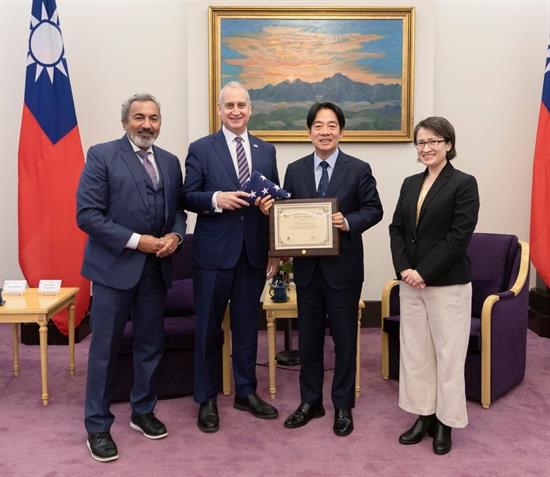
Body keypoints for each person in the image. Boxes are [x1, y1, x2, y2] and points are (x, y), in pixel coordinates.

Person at [77, 93, 186, 462]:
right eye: (139, 117)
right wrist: (138, 242)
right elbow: (87, 215)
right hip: (112, 272)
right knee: (104, 351)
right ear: (126, 122)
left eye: (153, 118)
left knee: (150, 345)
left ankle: (142, 410)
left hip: (156, 272)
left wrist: (175, 235)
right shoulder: (102, 155)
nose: (146, 124)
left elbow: (178, 212)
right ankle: (97, 426)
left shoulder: (171, 162)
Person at [181, 81, 279, 433]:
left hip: (252, 253)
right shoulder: (201, 149)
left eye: (242, 105)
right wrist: (215, 199)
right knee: (207, 328)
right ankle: (205, 398)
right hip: (212, 255)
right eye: (229, 106)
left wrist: (274, 249)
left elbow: (274, 204)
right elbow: (187, 196)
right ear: (219, 110)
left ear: (250, 109)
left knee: (246, 328)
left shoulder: (266, 150)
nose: (236, 111)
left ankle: (246, 391)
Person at [280, 102, 383, 436]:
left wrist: (348, 222)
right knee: (307, 341)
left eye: (332, 125)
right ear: (309, 131)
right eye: (318, 126)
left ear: (342, 130)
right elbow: (287, 214)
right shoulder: (294, 170)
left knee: (344, 341)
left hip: (344, 271)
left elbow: (374, 209)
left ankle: (342, 406)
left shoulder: (358, 168)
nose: (325, 132)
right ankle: (310, 402)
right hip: (307, 271)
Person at [389, 116, 479, 455]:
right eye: (421, 142)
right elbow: (396, 229)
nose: (426, 148)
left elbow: (459, 237)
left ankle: (446, 422)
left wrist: (423, 271)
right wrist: (404, 269)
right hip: (411, 284)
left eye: (434, 142)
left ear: (448, 145)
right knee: (415, 355)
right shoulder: (410, 183)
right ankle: (423, 415)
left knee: (448, 356)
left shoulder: (464, 183)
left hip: (447, 286)